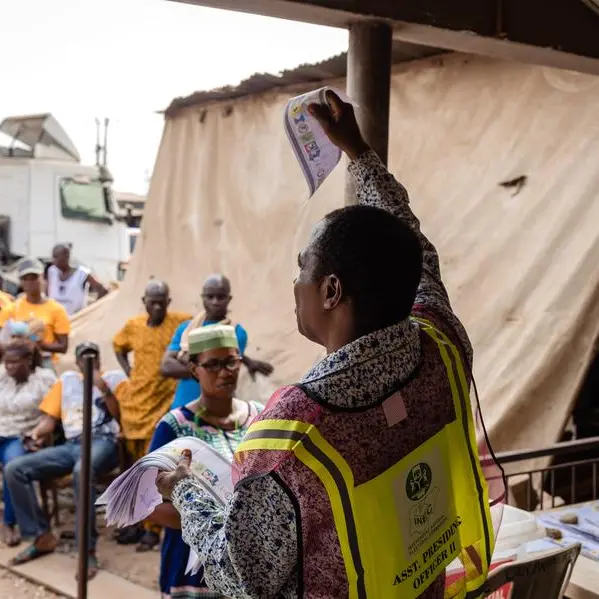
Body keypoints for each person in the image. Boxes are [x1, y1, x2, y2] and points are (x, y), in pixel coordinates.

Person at [155, 92, 504, 598]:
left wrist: (183, 490)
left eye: (303, 268)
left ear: (331, 290)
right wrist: (359, 154)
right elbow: (415, 250)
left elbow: (242, 575)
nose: (295, 281)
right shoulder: (443, 344)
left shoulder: (291, 437)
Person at [149, 324, 263, 599]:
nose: (226, 372)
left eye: (232, 362)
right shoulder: (174, 427)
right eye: (213, 365)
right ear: (193, 370)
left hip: (248, 560)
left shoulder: (260, 418)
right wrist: (203, 519)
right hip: (189, 563)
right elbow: (149, 504)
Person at [5, 342, 126, 578]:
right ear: (77, 361)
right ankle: (41, 536)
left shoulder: (115, 377)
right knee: (14, 469)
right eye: (83, 357)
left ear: (99, 358)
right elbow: (49, 420)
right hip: (72, 445)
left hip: (103, 442)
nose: (88, 361)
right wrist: (36, 434)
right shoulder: (67, 380)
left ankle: (87, 549)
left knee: (82, 472)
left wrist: (103, 387)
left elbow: (120, 416)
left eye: (92, 356)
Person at [113, 279, 192, 550]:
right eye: (152, 301)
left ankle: (152, 527)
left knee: (154, 466)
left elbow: (200, 328)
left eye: (162, 302)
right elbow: (117, 346)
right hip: (135, 404)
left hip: (162, 403)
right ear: (144, 302)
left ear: (168, 302)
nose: (156, 306)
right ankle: (136, 521)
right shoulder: (133, 326)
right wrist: (129, 373)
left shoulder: (180, 324)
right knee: (135, 465)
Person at [160, 274, 274, 410]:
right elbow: (166, 367)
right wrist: (206, 369)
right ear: (203, 298)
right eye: (210, 297)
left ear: (229, 299)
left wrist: (184, 359)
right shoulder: (185, 329)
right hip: (182, 406)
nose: (215, 301)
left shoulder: (236, 332)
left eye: (220, 297)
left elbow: (221, 370)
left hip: (216, 410)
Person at [0, 339, 56, 547]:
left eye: (14, 362)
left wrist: (39, 435)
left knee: (11, 465)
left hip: (23, 435)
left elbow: (51, 413)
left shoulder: (44, 379)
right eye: (6, 363)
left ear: (29, 359)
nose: (9, 367)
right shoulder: (2, 376)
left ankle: (10, 522)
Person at [0, 259, 70, 369]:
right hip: (18, 361)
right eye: (25, 279)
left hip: (45, 362)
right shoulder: (12, 309)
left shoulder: (57, 309)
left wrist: (40, 344)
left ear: (43, 279)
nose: (30, 282)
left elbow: (63, 347)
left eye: (34, 278)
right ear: (21, 282)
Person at [46, 243, 109, 316]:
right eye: (53, 257)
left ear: (67, 256)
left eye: (56, 257)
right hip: (55, 321)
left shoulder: (82, 274)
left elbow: (103, 291)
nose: (53, 260)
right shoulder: (52, 271)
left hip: (75, 321)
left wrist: (91, 309)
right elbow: (48, 294)